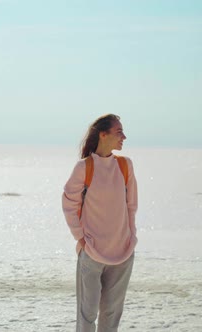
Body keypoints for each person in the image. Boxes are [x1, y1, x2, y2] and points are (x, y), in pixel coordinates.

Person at [62, 114, 138, 332]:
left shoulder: (125, 166)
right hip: (92, 254)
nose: (123, 136)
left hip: (123, 253)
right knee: (87, 316)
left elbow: (131, 206)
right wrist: (81, 240)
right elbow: (69, 205)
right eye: (118, 131)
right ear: (103, 135)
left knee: (112, 316)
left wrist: (131, 238)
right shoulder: (84, 167)